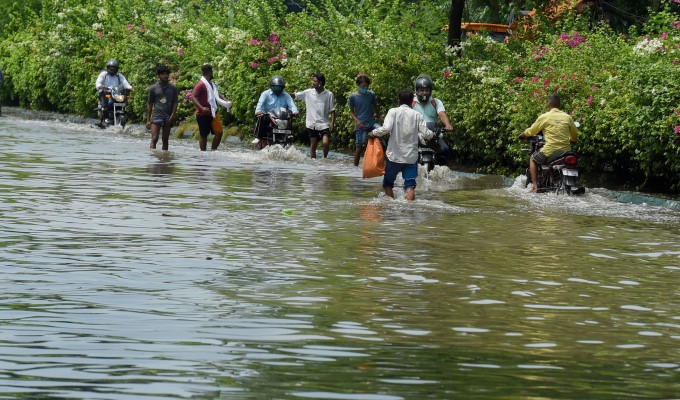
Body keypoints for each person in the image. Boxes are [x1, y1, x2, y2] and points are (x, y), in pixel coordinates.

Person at [370, 90, 435, 201]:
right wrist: (433, 134)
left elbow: (386, 128)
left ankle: (391, 207)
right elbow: (426, 133)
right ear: (411, 101)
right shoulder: (417, 115)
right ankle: (410, 210)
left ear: (399, 100)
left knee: (388, 184)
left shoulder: (393, 112)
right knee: (409, 186)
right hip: (411, 158)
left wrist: (373, 133)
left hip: (394, 156)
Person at [518, 93, 579, 193]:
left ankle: (535, 186)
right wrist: (571, 139)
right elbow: (575, 135)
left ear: (549, 104)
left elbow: (532, 131)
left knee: (533, 159)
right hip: (566, 151)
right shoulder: (567, 117)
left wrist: (524, 134)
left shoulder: (544, 117)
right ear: (560, 105)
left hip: (550, 149)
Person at [292, 73, 335, 158]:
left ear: (321, 82)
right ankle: (313, 162)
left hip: (324, 123)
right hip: (312, 123)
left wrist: (332, 123)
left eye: (315, 81)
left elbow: (332, 110)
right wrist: (284, 92)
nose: (313, 83)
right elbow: (296, 96)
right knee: (313, 145)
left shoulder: (329, 94)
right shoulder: (308, 92)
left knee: (326, 143)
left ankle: (325, 159)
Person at [191, 64, 232, 151]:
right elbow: (193, 97)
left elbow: (217, 94)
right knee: (204, 135)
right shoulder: (201, 84)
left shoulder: (212, 84)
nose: (213, 73)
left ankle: (213, 151)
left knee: (219, 133)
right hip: (202, 114)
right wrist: (202, 108)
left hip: (214, 113)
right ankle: (203, 153)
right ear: (209, 72)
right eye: (212, 71)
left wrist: (226, 101)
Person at [254, 75, 299, 149]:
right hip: (269, 118)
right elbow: (260, 104)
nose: (278, 89)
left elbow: (292, 105)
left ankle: (290, 138)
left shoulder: (286, 95)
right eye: (277, 87)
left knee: (290, 119)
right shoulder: (265, 94)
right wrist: (258, 111)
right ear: (272, 86)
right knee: (262, 118)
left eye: (280, 87)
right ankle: (259, 137)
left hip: (282, 118)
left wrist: (295, 112)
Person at [349, 74, 381, 166]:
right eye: (363, 86)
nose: (365, 88)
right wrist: (357, 121)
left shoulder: (371, 95)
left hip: (371, 123)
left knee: (381, 131)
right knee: (359, 147)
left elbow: (375, 107)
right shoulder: (353, 97)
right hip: (360, 125)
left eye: (367, 86)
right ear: (358, 85)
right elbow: (351, 112)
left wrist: (379, 116)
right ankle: (355, 166)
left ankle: (375, 163)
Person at [146, 65, 178, 151]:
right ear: (159, 75)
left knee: (165, 140)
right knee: (155, 138)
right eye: (163, 74)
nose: (165, 75)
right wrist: (148, 120)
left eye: (167, 74)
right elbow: (149, 104)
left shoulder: (173, 88)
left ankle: (165, 160)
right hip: (156, 116)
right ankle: (152, 157)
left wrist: (172, 116)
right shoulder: (153, 88)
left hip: (168, 117)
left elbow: (175, 103)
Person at [95, 59, 132, 127]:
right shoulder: (104, 74)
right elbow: (98, 82)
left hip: (116, 93)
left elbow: (124, 82)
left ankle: (119, 117)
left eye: (114, 68)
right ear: (108, 67)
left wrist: (130, 87)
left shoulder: (119, 75)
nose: (112, 69)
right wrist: (100, 86)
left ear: (116, 68)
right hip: (105, 92)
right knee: (106, 104)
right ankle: (106, 116)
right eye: (111, 67)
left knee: (123, 101)